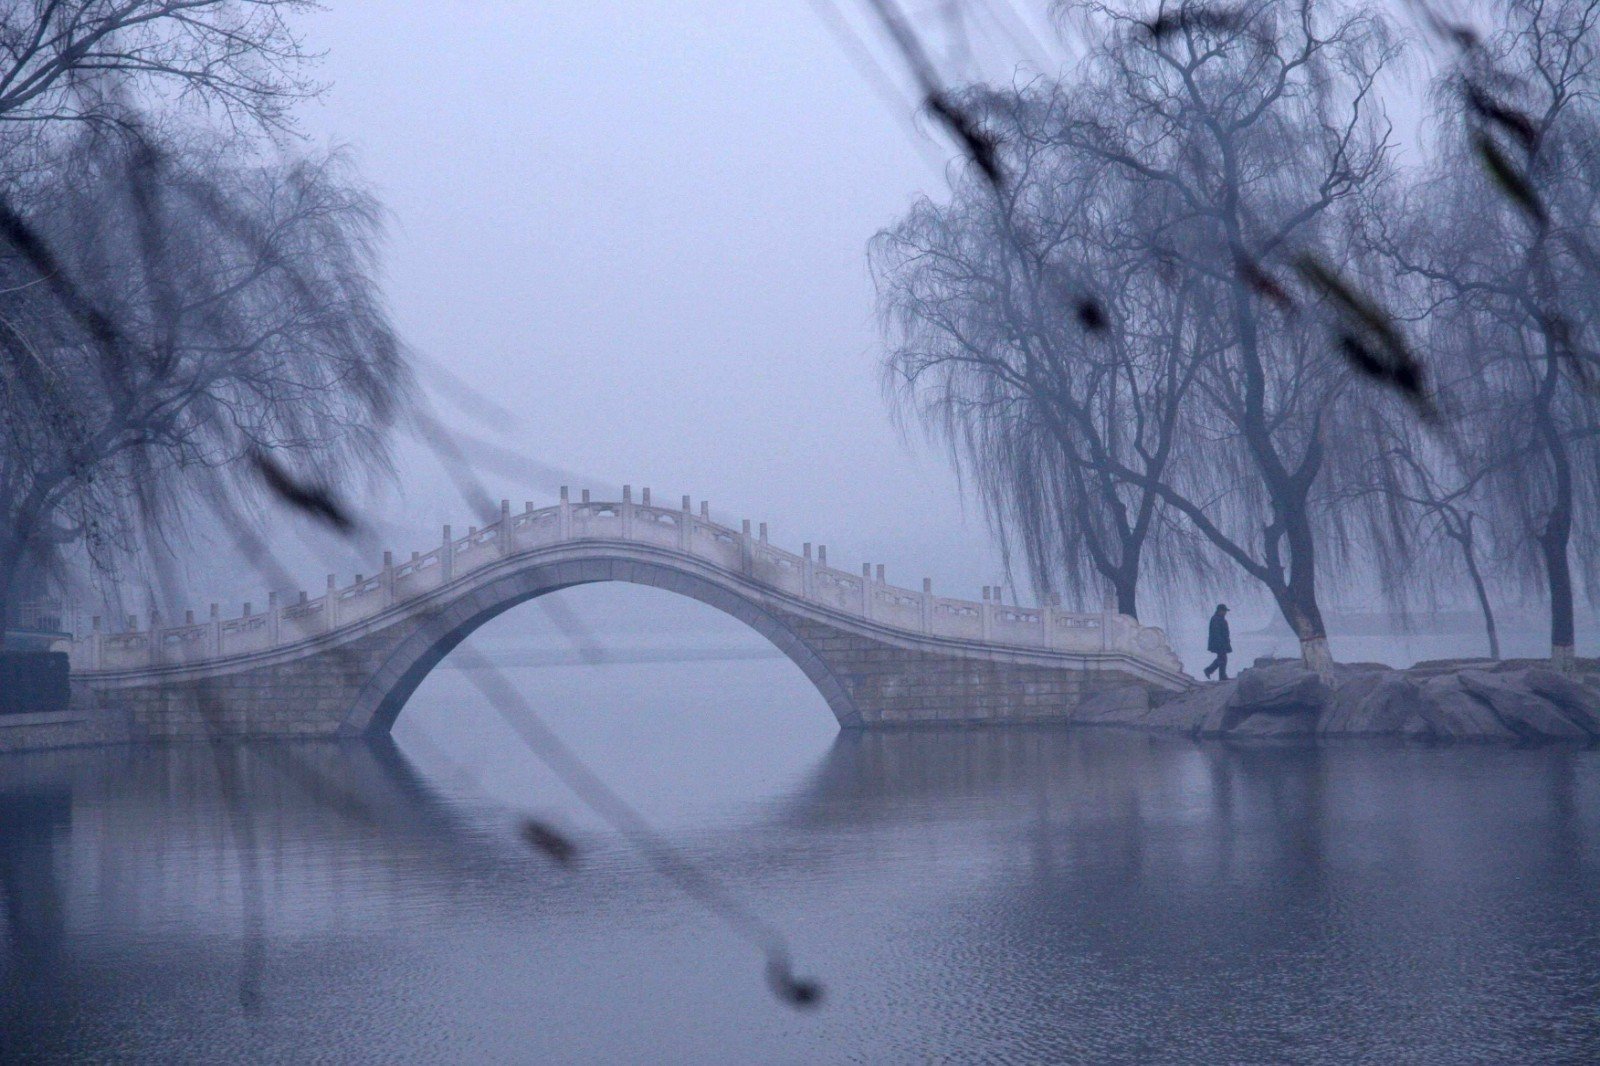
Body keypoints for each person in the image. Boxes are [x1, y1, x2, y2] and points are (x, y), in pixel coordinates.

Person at [1203, 604, 1231, 681]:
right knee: (1222, 658)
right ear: (1220, 611)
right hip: (1219, 643)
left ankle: (1213, 672)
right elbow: (1216, 633)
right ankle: (1219, 675)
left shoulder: (1219, 618)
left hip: (1221, 642)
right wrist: (1221, 643)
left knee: (1222, 658)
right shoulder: (1216, 619)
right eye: (1224, 611)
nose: (1225, 612)